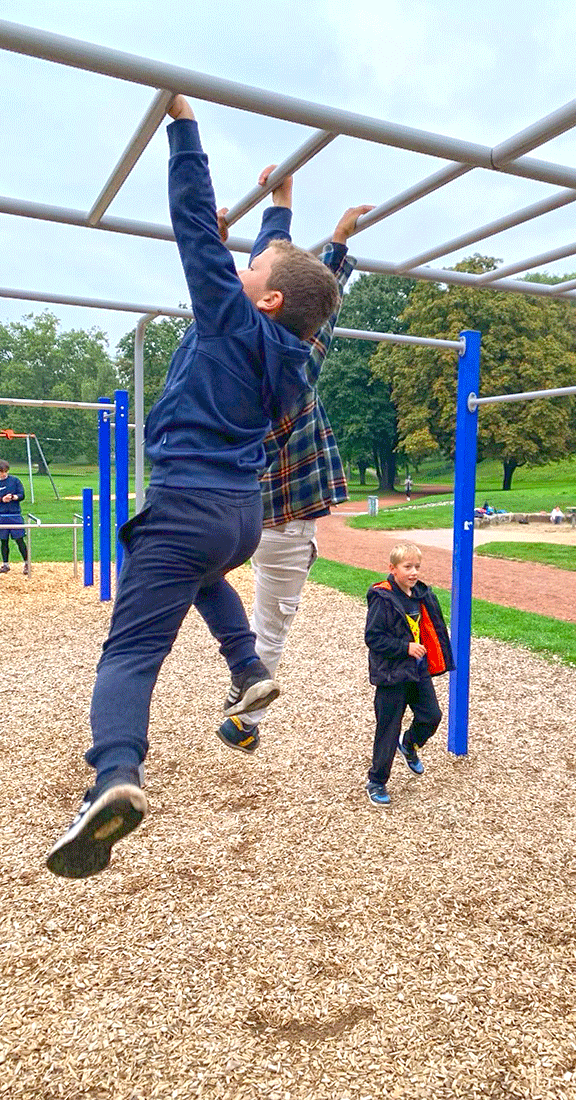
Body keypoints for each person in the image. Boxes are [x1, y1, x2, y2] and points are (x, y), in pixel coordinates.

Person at [46, 95, 342, 879]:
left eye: (250, 267)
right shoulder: (287, 353)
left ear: (265, 298)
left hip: (188, 505)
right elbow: (277, 270)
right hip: (239, 515)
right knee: (205, 576)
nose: (239, 266)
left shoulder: (230, 320)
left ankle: (113, 776)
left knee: (131, 651)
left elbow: (191, 229)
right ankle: (247, 668)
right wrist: (280, 207)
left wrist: (183, 126)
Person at [216, 197, 374, 754]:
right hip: (284, 517)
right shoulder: (295, 367)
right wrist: (337, 242)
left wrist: (282, 208)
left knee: (210, 583)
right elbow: (313, 305)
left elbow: (279, 281)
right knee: (273, 620)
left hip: (235, 507)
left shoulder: (228, 358)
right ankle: (245, 716)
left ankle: (235, 686)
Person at [364, 543, 454, 807]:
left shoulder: (422, 595)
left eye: (417, 567)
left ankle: (410, 743)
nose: (414, 572)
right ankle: (376, 781)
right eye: (407, 567)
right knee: (387, 728)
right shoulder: (383, 598)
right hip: (392, 675)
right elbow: (373, 637)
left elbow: (433, 627)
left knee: (431, 715)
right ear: (392, 569)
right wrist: (404, 647)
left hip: (418, 671)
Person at [0, 460, 28, 574]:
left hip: (14, 514)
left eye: (5, 472)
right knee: (3, 541)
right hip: (1, 515)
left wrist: (14, 497)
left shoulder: (15, 481)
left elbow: (22, 494)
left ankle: (27, 563)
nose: (3, 474)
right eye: (1, 472)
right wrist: (2, 499)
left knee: (19, 540)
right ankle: (5, 564)